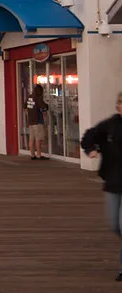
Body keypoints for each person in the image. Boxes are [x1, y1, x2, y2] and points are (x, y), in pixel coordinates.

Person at [81, 92, 122, 282]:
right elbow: (89, 136)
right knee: (115, 225)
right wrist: (92, 149)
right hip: (113, 182)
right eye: (120, 103)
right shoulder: (110, 125)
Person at [27, 84, 49, 159]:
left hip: (31, 121)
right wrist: (46, 106)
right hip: (38, 121)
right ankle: (39, 155)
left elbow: (25, 107)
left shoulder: (29, 97)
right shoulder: (38, 98)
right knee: (38, 139)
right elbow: (43, 107)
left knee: (31, 138)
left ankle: (32, 155)